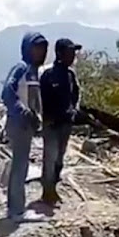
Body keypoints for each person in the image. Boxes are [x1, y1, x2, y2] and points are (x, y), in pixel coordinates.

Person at [1, 32, 49, 222]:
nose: (40, 52)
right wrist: (22, 111)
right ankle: (16, 211)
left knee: (20, 165)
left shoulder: (33, 71)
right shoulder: (20, 68)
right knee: (20, 167)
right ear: (27, 49)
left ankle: (15, 207)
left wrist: (36, 117)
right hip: (18, 123)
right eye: (36, 48)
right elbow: (7, 92)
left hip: (27, 125)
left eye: (43, 49)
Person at [39, 38, 82, 205]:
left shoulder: (70, 75)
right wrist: (46, 118)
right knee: (50, 157)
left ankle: (54, 187)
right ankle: (47, 192)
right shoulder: (48, 75)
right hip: (51, 124)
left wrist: (73, 110)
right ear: (60, 54)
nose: (72, 56)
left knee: (59, 158)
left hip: (66, 124)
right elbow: (41, 99)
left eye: (73, 52)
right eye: (69, 52)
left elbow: (76, 94)